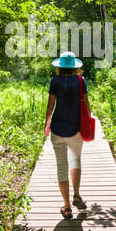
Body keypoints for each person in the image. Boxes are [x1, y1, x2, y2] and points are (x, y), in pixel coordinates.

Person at [44, 51, 92, 219]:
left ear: (60, 67)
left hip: (57, 129)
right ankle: (76, 195)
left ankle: (67, 207)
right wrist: (88, 121)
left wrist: (47, 123)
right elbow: (86, 105)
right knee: (76, 160)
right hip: (76, 129)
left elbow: (50, 106)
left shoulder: (54, 81)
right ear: (74, 67)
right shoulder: (81, 81)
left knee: (61, 167)